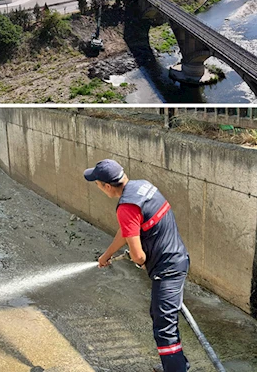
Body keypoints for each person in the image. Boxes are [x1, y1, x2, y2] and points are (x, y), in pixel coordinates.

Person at [84, 159, 190, 372]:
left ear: (106, 186)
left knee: (164, 329)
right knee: (158, 314)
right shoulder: (142, 186)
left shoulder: (126, 207)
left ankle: (176, 369)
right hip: (175, 258)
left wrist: (138, 260)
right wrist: (106, 255)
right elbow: (127, 231)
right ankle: (177, 365)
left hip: (167, 269)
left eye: (96, 184)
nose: (97, 187)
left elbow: (139, 256)